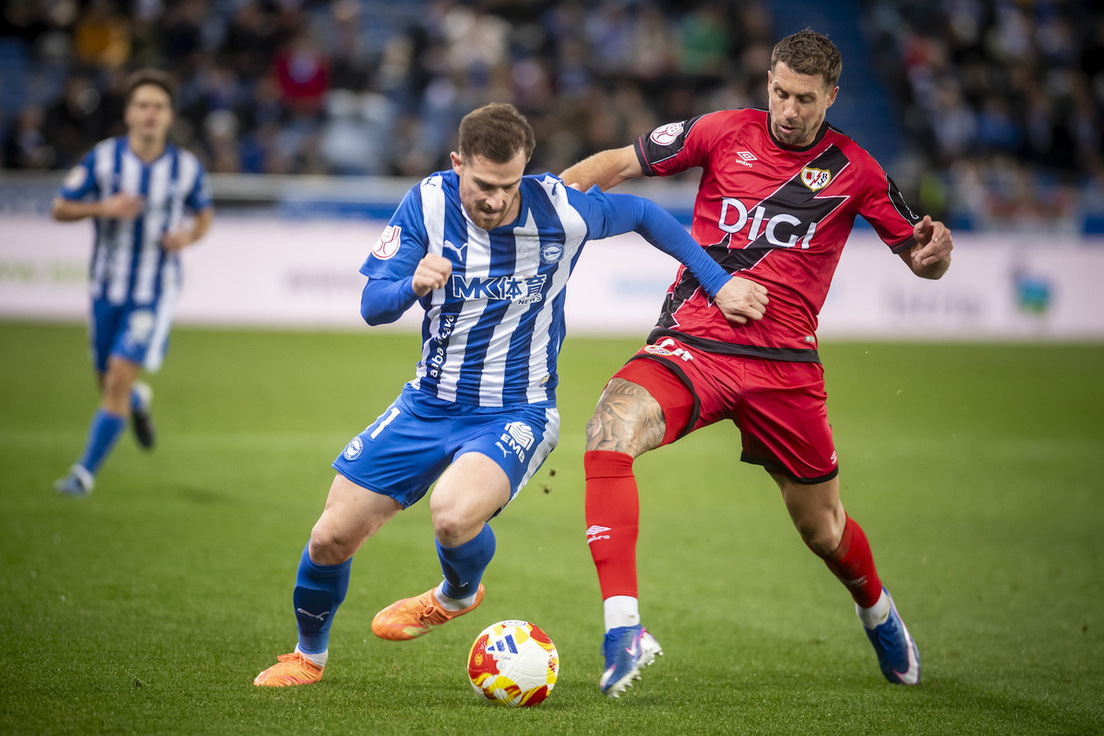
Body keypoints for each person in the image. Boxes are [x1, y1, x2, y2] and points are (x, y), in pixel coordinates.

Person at [252, 102, 750, 687]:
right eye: (483, 185)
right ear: (458, 162)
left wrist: (718, 284)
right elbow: (371, 306)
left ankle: (457, 594)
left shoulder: (558, 211)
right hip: (427, 405)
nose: (494, 199)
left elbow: (643, 213)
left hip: (517, 411)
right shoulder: (428, 203)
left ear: (526, 171)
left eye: (508, 186)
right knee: (330, 536)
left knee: (453, 515)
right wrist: (412, 284)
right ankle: (308, 657)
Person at [559, 29, 953, 697]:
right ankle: (623, 627)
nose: (789, 109)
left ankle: (878, 611)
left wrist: (934, 255)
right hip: (695, 344)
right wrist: (548, 198)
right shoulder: (720, 131)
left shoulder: (856, 169)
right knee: (609, 427)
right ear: (766, 80)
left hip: (784, 371)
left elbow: (919, 257)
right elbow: (620, 164)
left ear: (831, 95)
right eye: (779, 92)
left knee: (822, 530)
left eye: (804, 98)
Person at [51, 69, 214, 496]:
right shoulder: (103, 159)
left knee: (119, 377)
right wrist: (104, 207)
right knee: (108, 382)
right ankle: (137, 402)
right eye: (142, 105)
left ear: (169, 116)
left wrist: (187, 237)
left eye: (158, 107)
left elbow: (204, 215)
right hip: (106, 288)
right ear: (127, 113)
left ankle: (82, 475)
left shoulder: (185, 167)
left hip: (152, 292)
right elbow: (60, 207)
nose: (149, 114)